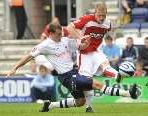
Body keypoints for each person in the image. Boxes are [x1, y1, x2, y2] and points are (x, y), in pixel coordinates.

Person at [7, 23, 140, 113]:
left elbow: (79, 46)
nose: (61, 35)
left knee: (80, 101)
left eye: (62, 33)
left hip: (74, 71)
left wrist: (84, 42)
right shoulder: (44, 45)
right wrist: (15, 68)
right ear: (51, 33)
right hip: (66, 76)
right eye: (58, 34)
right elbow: (29, 56)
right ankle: (128, 93)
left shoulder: (64, 40)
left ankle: (50, 105)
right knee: (97, 84)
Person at [67, 3, 123, 112]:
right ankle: (88, 107)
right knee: (87, 81)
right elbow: (70, 27)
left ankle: (116, 75)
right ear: (95, 12)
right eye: (99, 15)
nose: (101, 18)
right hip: (84, 53)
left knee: (105, 64)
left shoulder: (108, 24)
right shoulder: (87, 19)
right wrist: (80, 37)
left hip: (96, 51)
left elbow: (109, 29)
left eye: (104, 15)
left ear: (106, 14)